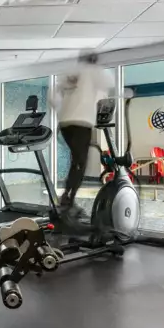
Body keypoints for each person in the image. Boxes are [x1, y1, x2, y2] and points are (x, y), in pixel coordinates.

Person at [51, 53, 113, 225]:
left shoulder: (69, 73)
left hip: (65, 124)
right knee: (80, 162)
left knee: (76, 160)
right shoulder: (93, 72)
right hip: (81, 123)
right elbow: (107, 86)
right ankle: (67, 200)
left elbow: (53, 96)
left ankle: (68, 198)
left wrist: (63, 109)